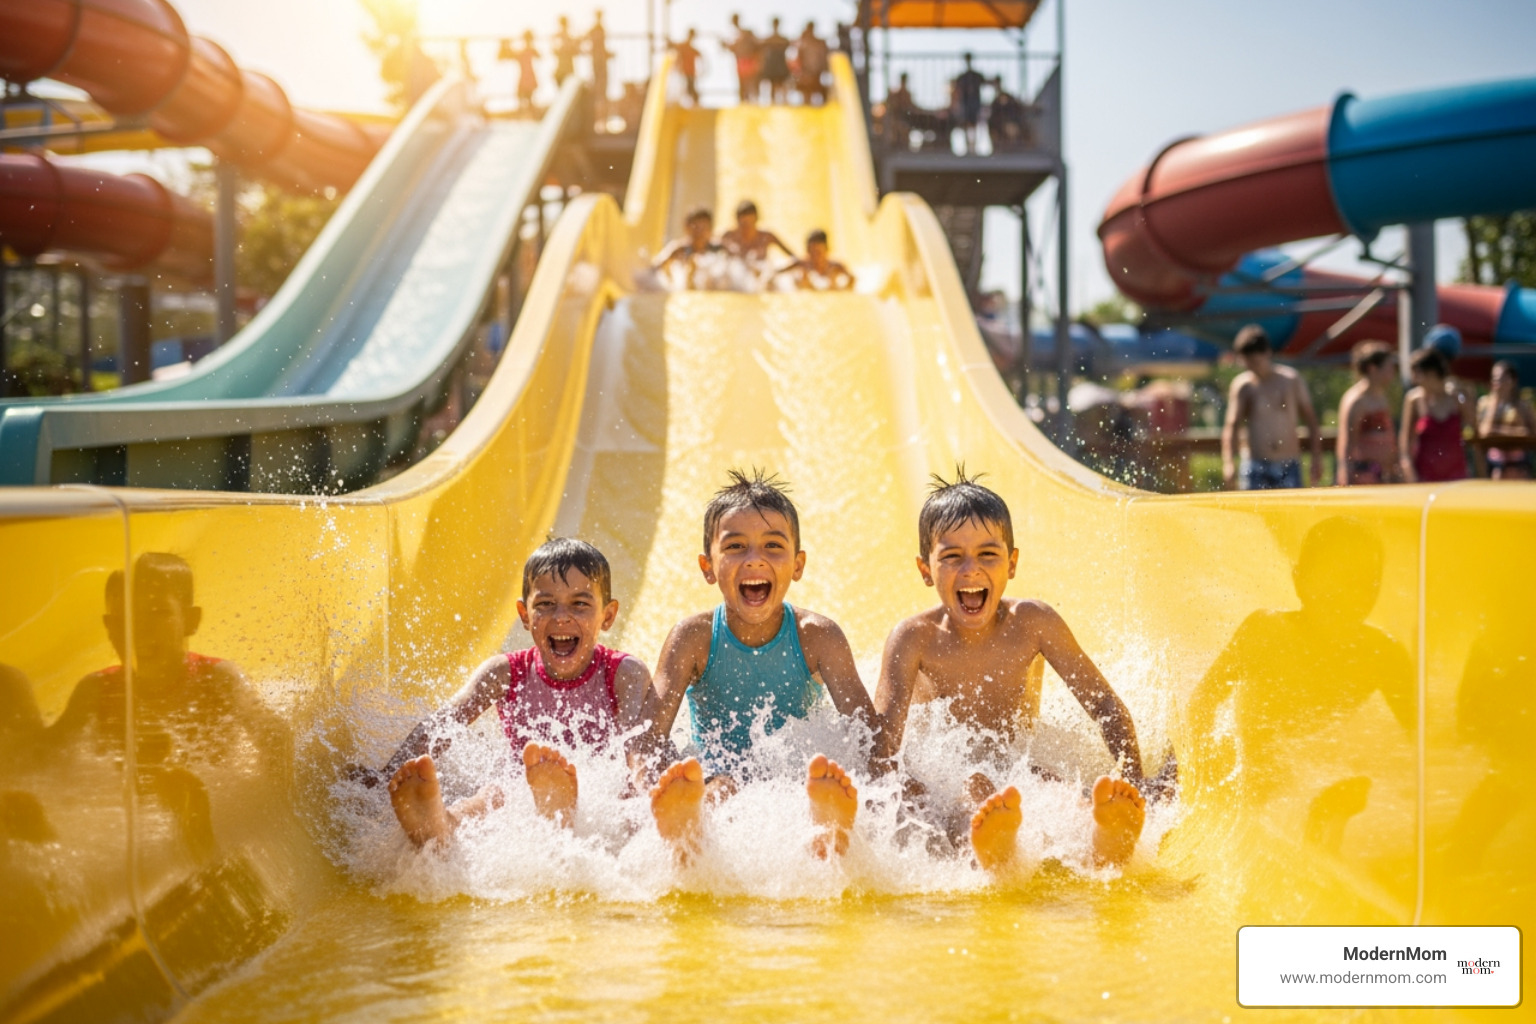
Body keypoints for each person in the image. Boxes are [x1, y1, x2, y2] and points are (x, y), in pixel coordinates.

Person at [873, 473, 1148, 875]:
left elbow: (1103, 702)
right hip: (946, 771)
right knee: (973, 787)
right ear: (925, 569)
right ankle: (990, 852)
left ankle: (1105, 840)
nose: (971, 570)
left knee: (1051, 783)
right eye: (952, 557)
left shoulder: (1033, 623)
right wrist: (894, 803)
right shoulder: (914, 638)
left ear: (1012, 563)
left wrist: (1134, 774)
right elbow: (882, 741)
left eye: (988, 554)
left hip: (1014, 757)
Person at [632, 470, 878, 862]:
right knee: (721, 787)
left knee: (812, 783)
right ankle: (685, 831)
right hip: (717, 775)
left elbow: (867, 736)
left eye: (773, 546)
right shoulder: (693, 638)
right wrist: (654, 787)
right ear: (708, 566)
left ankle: (827, 830)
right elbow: (647, 738)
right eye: (735, 547)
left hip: (794, 777)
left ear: (797, 564)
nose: (755, 559)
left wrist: (878, 794)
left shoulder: (818, 637)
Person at [376, 539, 652, 848]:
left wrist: (645, 797)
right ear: (524, 614)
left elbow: (637, 750)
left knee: (622, 796)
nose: (561, 616)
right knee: (493, 794)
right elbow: (444, 723)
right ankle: (440, 825)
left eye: (580, 604)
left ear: (608, 616)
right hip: (521, 790)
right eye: (545, 604)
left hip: (596, 795)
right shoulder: (505, 672)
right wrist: (383, 777)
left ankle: (560, 804)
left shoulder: (624, 673)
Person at [1220, 325, 1322, 490]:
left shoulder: (1291, 380)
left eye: (1256, 362)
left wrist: (1316, 458)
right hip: (1255, 464)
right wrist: (1228, 463)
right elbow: (1232, 426)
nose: (1253, 367)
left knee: (1291, 507)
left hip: (1289, 463)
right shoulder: (1243, 386)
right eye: (1248, 363)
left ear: (1267, 353)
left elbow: (1311, 420)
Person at [1337, 341, 1402, 485]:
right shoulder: (1357, 400)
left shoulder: (1381, 397)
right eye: (1388, 367)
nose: (1393, 371)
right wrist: (1345, 474)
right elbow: (1347, 442)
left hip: (1385, 474)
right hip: (1363, 473)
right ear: (1373, 369)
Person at [1399, 347, 1468, 483]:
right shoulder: (1413, 400)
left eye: (1416, 374)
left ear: (1431, 373)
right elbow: (1405, 443)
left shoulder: (1457, 398)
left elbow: (1474, 430)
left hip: (1457, 475)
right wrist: (1409, 473)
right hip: (1424, 476)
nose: (1413, 380)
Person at [1476, 360, 1536, 480]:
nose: (1497, 383)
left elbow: (1528, 433)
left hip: (1519, 464)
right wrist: (1495, 403)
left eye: (1501, 379)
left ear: (1512, 380)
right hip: (1494, 464)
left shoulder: (1523, 406)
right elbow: (1484, 433)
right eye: (1494, 379)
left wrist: (1497, 431)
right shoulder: (1484, 403)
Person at [651, 208, 725, 291]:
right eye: (696, 227)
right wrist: (669, 260)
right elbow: (653, 270)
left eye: (703, 228)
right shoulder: (677, 248)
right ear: (687, 228)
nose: (699, 233)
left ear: (710, 230)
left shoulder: (718, 251)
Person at [720, 200, 796, 277]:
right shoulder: (728, 237)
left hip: (762, 279)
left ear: (756, 220)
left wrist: (775, 273)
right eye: (743, 224)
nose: (746, 228)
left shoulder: (766, 237)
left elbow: (795, 259)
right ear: (737, 221)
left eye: (750, 223)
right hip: (735, 278)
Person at [771, 229, 854, 291]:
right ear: (807, 251)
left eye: (818, 252)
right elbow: (776, 274)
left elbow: (852, 280)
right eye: (811, 252)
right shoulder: (802, 265)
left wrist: (842, 289)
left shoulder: (836, 266)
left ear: (827, 250)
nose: (815, 257)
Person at [952, 53, 988, 155]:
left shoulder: (976, 76)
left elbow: (985, 82)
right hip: (966, 103)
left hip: (974, 103)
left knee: (973, 123)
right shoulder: (962, 77)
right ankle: (969, 145)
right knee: (966, 123)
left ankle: (972, 146)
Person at [728, 14, 761, 105]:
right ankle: (744, 102)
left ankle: (751, 102)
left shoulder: (747, 32)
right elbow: (732, 48)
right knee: (742, 84)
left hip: (749, 62)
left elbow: (757, 45)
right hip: (740, 62)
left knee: (750, 83)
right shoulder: (735, 35)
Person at [792, 22, 828, 106]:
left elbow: (799, 57)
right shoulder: (818, 42)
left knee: (809, 92)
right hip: (813, 71)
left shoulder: (806, 43)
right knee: (811, 91)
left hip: (810, 71)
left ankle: (809, 106)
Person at [504, 30, 539, 115]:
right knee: (526, 100)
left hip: (526, 78)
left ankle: (528, 115)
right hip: (527, 77)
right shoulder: (528, 51)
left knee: (525, 99)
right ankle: (530, 115)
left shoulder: (525, 51)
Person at [759, 17, 792, 104]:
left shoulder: (781, 39)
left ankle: (782, 102)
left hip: (779, 65)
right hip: (772, 65)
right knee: (773, 85)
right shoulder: (775, 39)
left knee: (781, 85)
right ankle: (773, 102)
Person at [585, 10, 610, 122]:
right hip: (598, 62)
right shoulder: (596, 29)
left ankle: (601, 115)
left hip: (600, 61)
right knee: (599, 87)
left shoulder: (598, 28)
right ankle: (599, 115)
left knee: (601, 88)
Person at [672, 29, 702, 107]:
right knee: (688, 88)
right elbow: (674, 46)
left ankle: (695, 102)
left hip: (690, 72)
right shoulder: (684, 46)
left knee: (690, 88)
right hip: (685, 72)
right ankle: (694, 102)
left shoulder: (691, 49)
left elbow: (699, 55)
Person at [552, 16, 579, 87]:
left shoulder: (562, 37)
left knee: (565, 85)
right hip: (564, 67)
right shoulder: (565, 37)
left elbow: (554, 50)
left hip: (565, 67)